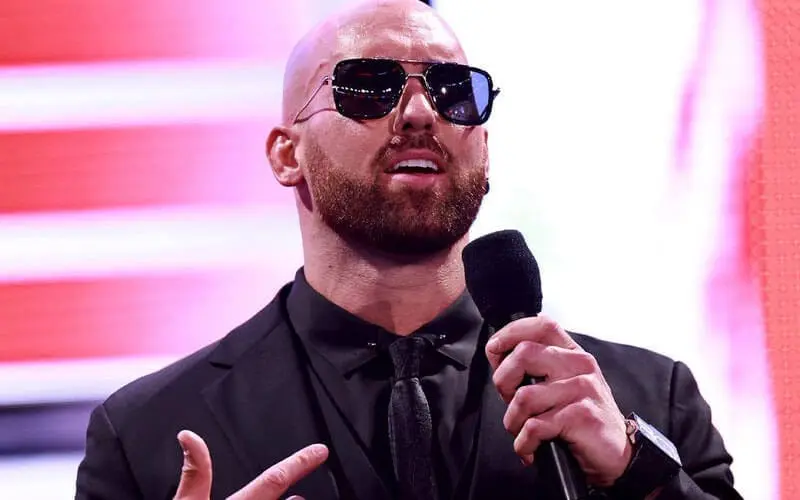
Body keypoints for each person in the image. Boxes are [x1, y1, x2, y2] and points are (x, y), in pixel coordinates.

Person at [75, 0, 742, 498]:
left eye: (455, 91)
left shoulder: (648, 402)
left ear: (484, 148)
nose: (422, 113)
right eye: (368, 86)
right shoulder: (147, 433)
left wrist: (638, 475)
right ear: (286, 154)